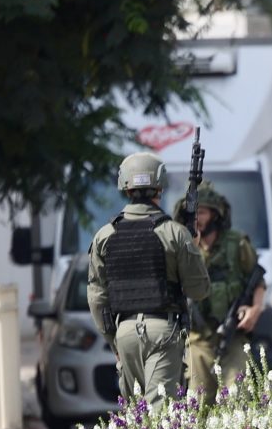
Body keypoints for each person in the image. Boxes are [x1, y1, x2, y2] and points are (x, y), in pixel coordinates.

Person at [86, 153, 209, 400]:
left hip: (125, 333)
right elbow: (199, 290)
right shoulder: (175, 233)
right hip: (163, 332)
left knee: (135, 417)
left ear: (125, 186)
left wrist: (114, 341)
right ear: (159, 187)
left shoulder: (104, 235)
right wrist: (193, 248)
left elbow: (98, 298)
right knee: (160, 416)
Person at [185, 181, 266, 406]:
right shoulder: (183, 247)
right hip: (197, 340)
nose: (197, 219)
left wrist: (255, 309)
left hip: (232, 337)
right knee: (197, 404)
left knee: (238, 398)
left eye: (201, 212)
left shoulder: (237, 244)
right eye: (193, 214)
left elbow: (258, 280)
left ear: (215, 215)